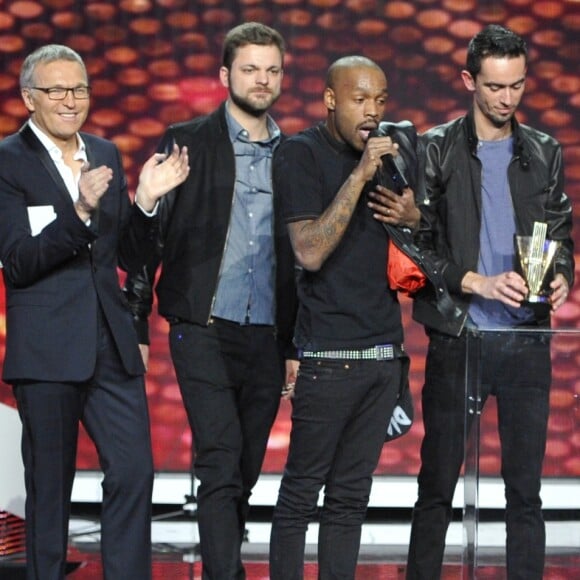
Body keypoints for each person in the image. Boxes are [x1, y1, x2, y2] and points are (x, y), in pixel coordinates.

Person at [0, 44, 189, 580]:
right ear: (29, 97)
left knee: (134, 472)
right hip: (46, 349)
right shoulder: (7, 162)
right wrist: (79, 211)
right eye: (56, 90)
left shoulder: (104, 152)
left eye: (78, 89)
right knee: (50, 488)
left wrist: (147, 202)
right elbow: (18, 262)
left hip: (109, 341)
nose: (70, 100)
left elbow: (126, 256)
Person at [123, 22, 298, 579]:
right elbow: (138, 251)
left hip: (269, 333)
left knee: (244, 464)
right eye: (250, 69)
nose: (262, 79)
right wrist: (146, 202)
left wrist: (299, 343)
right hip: (202, 326)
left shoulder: (297, 155)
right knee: (219, 459)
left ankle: (223, 550)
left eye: (271, 69)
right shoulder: (187, 142)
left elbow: (304, 260)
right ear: (225, 75)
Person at [407, 24, 574, 580]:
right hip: (462, 337)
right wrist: (471, 281)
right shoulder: (436, 149)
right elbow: (416, 245)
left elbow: (561, 235)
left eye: (517, 86)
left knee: (525, 491)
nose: (507, 98)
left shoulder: (544, 152)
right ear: (468, 81)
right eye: (496, 87)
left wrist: (562, 279)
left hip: (527, 340)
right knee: (437, 485)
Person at [268, 55, 422, 579]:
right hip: (328, 362)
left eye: (380, 100)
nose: (372, 112)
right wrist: (359, 177)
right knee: (299, 497)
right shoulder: (300, 154)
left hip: (383, 358)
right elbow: (308, 251)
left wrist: (414, 217)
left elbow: (423, 242)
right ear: (331, 98)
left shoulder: (396, 156)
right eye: (360, 99)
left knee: (351, 499)